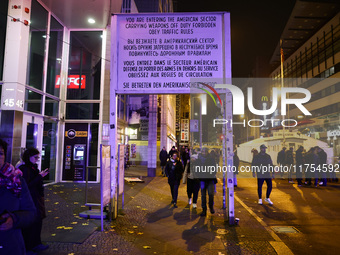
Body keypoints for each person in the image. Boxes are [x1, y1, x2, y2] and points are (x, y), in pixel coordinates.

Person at [0, 139, 36, 255]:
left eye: (0, 154)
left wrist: (14, 219)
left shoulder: (15, 179)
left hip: (9, 246)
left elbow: (31, 212)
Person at [19, 148, 49, 253]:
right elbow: (27, 185)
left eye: (38, 157)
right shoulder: (25, 169)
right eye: (35, 157)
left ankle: (36, 243)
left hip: (36, 197)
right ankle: (29, 246)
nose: (37, 159)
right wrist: (39, 176)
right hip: (31, 198)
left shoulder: (33, 167)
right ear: (28, 157)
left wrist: (40, 176)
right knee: (32, 222)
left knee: (38, 221)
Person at [194, 148, 217, 216]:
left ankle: (211, 206)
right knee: (203, 195)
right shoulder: (198, 160)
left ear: (207, 152)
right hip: (202, 179)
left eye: (205, 152)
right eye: (203, 152)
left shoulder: (211, 159)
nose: (204, 153)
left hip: (210, 179)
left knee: (211, 194)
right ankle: (204, 209)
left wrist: (210, 174)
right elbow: (196, 168)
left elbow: (214, 168)